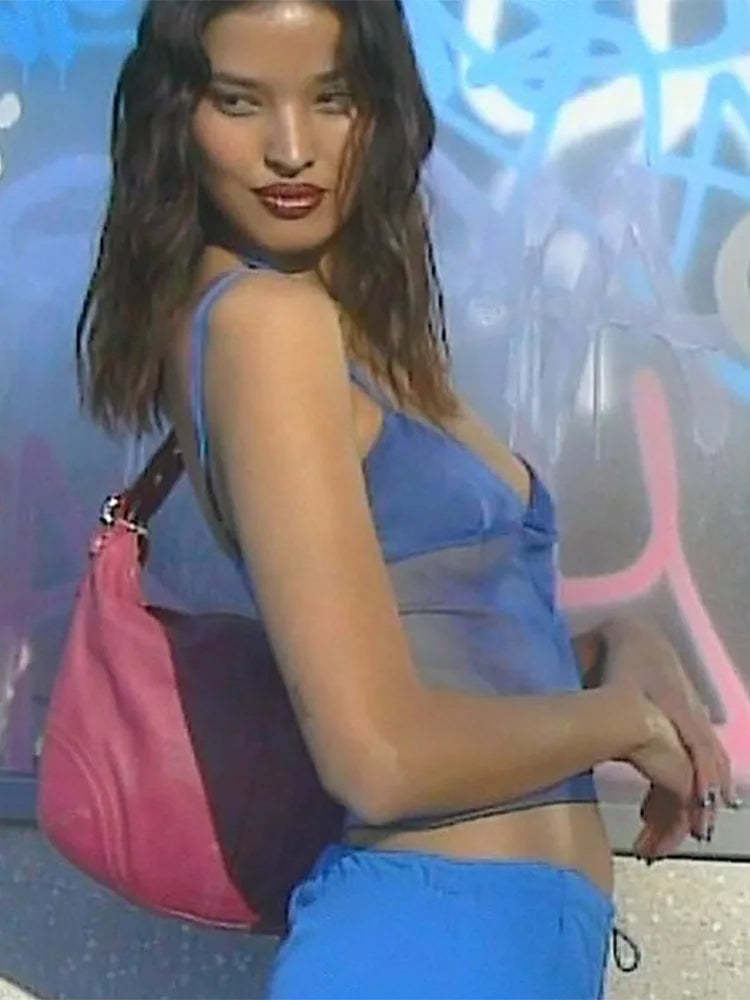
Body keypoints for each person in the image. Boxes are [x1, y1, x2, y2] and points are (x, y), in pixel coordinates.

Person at [74, 2, 736, 997]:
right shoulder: (265, 325)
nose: (291, 149)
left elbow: (434, 646)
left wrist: (613, 645)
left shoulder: (347, 321)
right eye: (240, 101)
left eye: (332, 98)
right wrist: (624, 723)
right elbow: (378, 759)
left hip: (496, 942)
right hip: (423, 945)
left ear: (384, 108)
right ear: (179, 117)